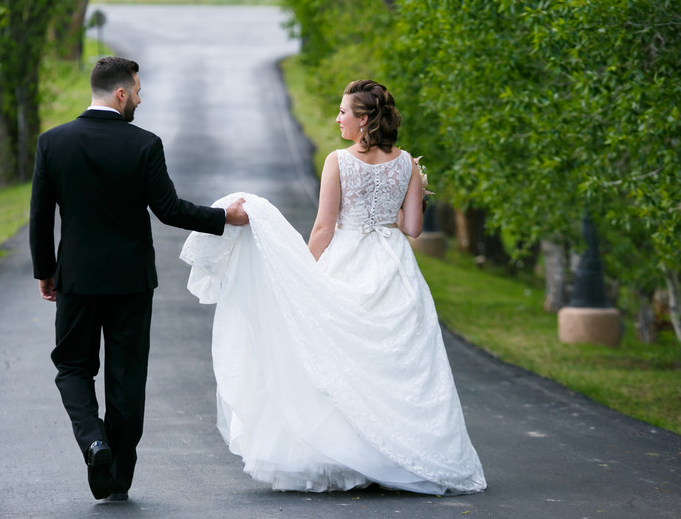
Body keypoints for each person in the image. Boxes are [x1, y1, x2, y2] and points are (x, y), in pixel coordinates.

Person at [180, 80, 486, 495]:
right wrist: (412, 195)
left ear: (363, 121)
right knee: (393, 359)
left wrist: (303, 272)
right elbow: (412, 228)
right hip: (393, 263)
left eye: (343, 112)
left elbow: (325, 226)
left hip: (347, 257)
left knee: (338, 356)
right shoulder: (409, 165)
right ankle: (399, 453)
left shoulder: (338, 162)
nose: (337, 118)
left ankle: (348, 455)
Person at [29, 56, 248, 502]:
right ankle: (118, 477)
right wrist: (224, 218)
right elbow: (168, 210)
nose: (141, 98)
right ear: (121, 93)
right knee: (127, 376)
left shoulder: (52, 143)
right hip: (131, 281)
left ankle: (94, 442)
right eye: (138, 90)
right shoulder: (144, 144)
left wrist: (46, 272)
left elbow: (39, 218)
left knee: (73, 367)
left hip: (78, 280)